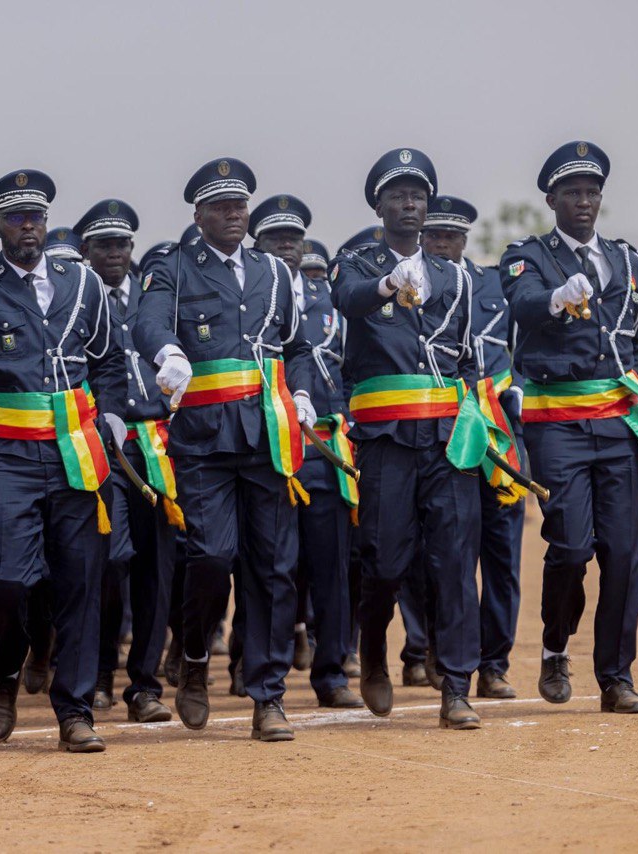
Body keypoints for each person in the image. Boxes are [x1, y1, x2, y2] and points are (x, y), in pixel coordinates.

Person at [500, 141, 638, 714]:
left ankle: (616, 676)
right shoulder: (527, 255)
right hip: (557, 423)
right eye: (572, 193)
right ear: (551, 200)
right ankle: (555, 646)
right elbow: (521, 303)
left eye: (592, 192)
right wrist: (557, 300)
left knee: (626, 552)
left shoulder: (627, 260)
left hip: (617, 423)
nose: (584, 202)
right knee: (570, 546)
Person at [0, 169, 126, 752]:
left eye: (36, 216)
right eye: (16, 217)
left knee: (80, 581)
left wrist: (114, 416)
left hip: (74, 447)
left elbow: (111, 359)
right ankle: (2, 674)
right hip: (6, 453)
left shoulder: (82, 281)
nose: (28, 226)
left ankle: (75, 711)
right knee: (10, 581)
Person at [134, 158, 317, 742]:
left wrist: (306, 394)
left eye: (239, 205)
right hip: (203, 440)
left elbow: (300, 345)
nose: (232, 214)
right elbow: (147, 322)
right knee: (212, 558)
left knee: (271, 567)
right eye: (220, 206)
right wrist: (167, 352)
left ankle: (268, 694)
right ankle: (192, 654)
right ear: (199, 215)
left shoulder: (274, 272)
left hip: (266, 437)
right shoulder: (174, 268)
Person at [328, 148, 487, 729]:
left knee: (453, 561)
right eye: (398, 195)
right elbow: (345, 301)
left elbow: (467, 358)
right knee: (386, 558)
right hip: (386, 438)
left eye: (418, 194)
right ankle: (372, 653)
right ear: (378, 204)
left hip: (447, 440)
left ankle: (457, 684)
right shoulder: (356, 263)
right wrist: (387, 285)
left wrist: (475, 423)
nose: (410, 204)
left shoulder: (455, 278)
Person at [249, 193, 360, 709]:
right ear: (258, 244)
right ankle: (265, 675)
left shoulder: (328, 299)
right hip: (267, 446)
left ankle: (332, 671)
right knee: (273, 563)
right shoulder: (253, 297)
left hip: (323, 445)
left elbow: (353, 362)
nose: (286, 247)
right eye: (274, 239)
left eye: (293, 239)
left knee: (331, 563)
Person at [73, 197, 178, 723]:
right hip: (99, 440)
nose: (114, 253)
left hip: (154, 441)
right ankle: (99, 672)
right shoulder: (78, 298)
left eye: (121, 244)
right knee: (109, 561)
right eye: (103, 245)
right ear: (85, 250)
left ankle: (145, 685)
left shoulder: (153, 295)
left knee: (157, 569)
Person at [422, 195, 525, 699]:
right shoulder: (411, 285)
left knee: (503, 554)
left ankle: (495, 662)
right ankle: (445, 653)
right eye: (435, 235)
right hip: (444, 435)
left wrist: (520, 387)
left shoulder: (494, 285)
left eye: (452, 236)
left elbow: (525, 342)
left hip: (500, 432)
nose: (443, 243)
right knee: (450, 555)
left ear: (465, 239)